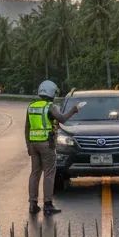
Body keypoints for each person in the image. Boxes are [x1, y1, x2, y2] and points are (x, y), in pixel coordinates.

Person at [26, 81, 84, 215]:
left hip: (33, 144)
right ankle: (48, 205)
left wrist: (28, 145)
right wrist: (74, 110)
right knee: (49, 173)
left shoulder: (32, 106)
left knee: (34, 173)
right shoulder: (50, 107)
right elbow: (62, 119)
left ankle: (33, 204)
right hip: (47, 144)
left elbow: (27, 127)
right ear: (51, 92)